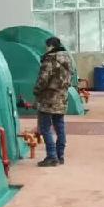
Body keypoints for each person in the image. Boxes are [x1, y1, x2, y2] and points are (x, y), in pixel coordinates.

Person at [33, 36, 73, 167]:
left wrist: (36, 90)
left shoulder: (50, 59)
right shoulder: (68, 59)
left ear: (50, 46)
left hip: (48, 98)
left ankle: (51, 157)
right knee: (60, 126)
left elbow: (43, 79)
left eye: (46, 46)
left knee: (45, 128)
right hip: (62, 97)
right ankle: (60, 156)